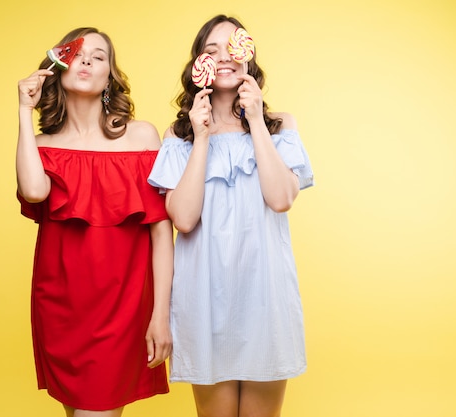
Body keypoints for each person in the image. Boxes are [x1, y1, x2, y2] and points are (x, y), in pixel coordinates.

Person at [148, 14, 313, 417]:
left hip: (264, 297)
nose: (223, 57)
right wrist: (201, 137)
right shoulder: (178, 137)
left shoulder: (279, 126)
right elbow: (183, 220)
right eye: (211, 50)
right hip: (204, 298)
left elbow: (280, 199)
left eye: (231, 47)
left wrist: (255, 119)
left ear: (248, 57)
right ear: (197, 66)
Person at [16, 27, 173, 417]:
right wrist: (23, 110)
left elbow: (161, 233)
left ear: (110, 76)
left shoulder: (142, 137)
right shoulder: (40, 144)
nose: (86, 60)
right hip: (60, 306)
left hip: (122, 309)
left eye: (99, 56)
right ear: (58, 66)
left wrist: (161, 314)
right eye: (77, 53)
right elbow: (34, 191)